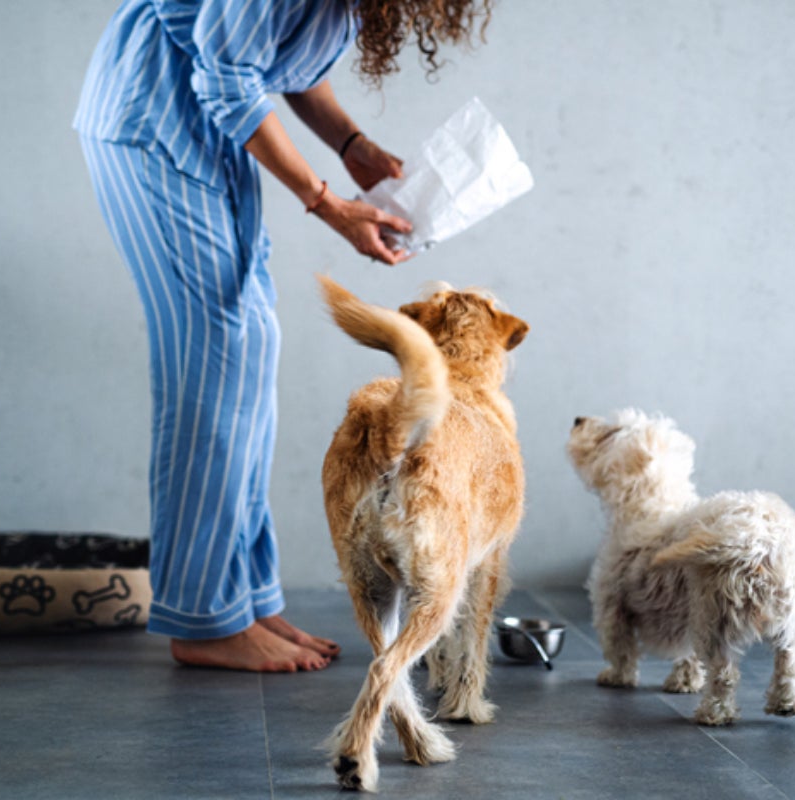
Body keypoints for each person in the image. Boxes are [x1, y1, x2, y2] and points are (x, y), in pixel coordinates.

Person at [73, 0, 493, 672]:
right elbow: (226, 75)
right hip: (153, 129)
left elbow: (272, 59)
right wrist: (326, 203)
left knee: (248, 352)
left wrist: (351, 147)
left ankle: (242, 600)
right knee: (213, 363)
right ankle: (204, 619)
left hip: (207, 139)